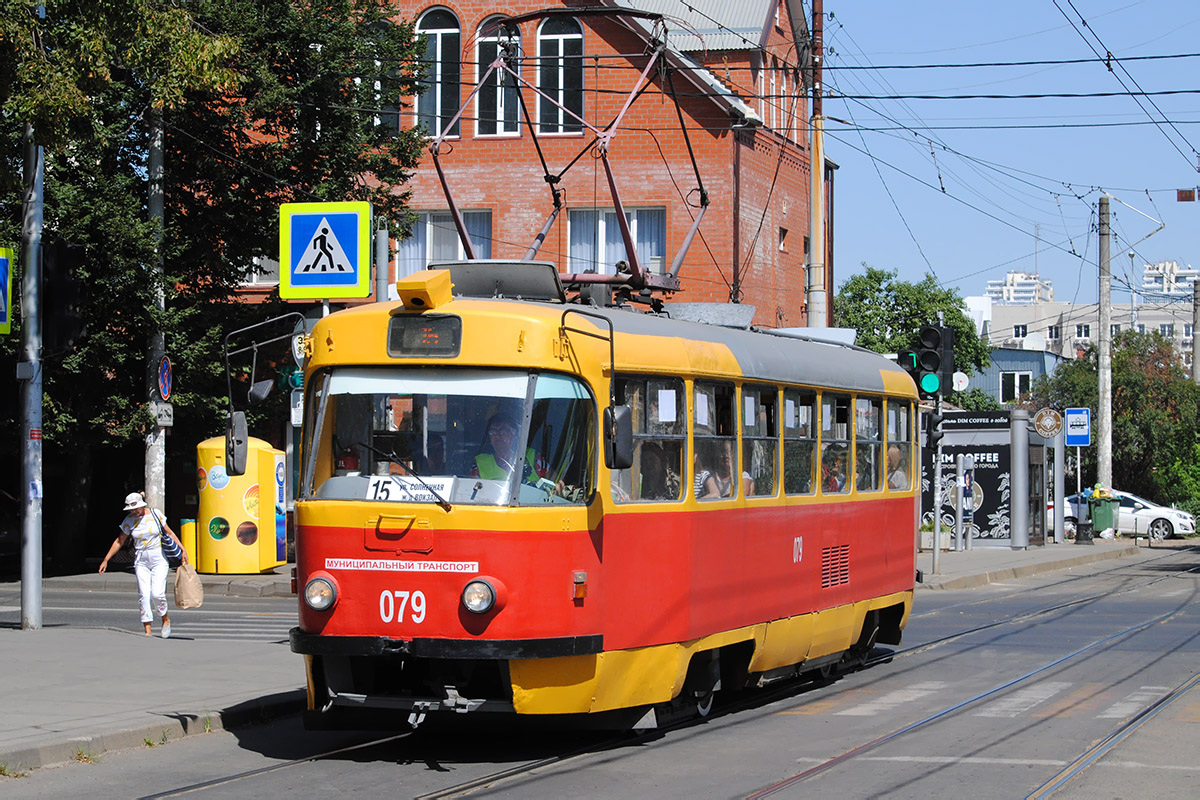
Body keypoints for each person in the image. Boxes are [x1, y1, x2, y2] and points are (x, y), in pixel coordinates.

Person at [99, 491, 189, 638]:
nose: (134, 512)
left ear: (142, 505)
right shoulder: (129, 520)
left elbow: (170, 533)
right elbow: (119, 541)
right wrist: (106, 559)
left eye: (136, 508)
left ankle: (165, 619)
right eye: (131, 509)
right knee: (144, 594)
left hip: (158, 558)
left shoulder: (155, 514)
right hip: (141, 560)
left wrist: (182, 548)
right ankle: (147, 629)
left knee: (157, 594)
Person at [472, 413, 546, 484]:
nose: (497, 436)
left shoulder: (533, 457)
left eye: (503, 431)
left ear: (514, 434)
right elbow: (470, 491)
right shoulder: (480, 463)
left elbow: (555, 487)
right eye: (493, 431)